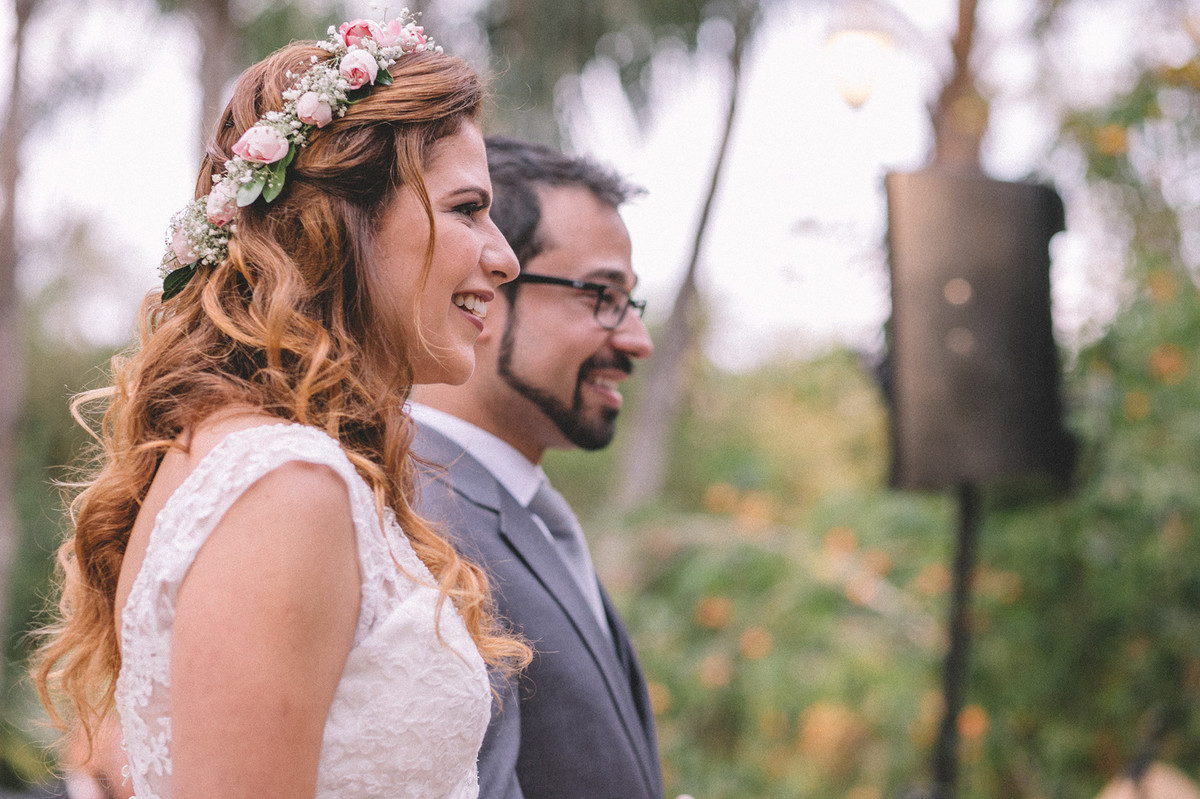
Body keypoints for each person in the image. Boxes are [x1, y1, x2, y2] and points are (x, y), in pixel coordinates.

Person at [32, 14, 529, 798]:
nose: (503, 257)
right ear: (348, 218)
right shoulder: (285, 485)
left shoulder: (268, 463)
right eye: (468, 208)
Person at [409, 136, 661, 799]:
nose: (637, 339)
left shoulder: (520, 509)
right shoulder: (417, 516)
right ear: (487, 286)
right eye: (601, 295)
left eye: (631, 302)